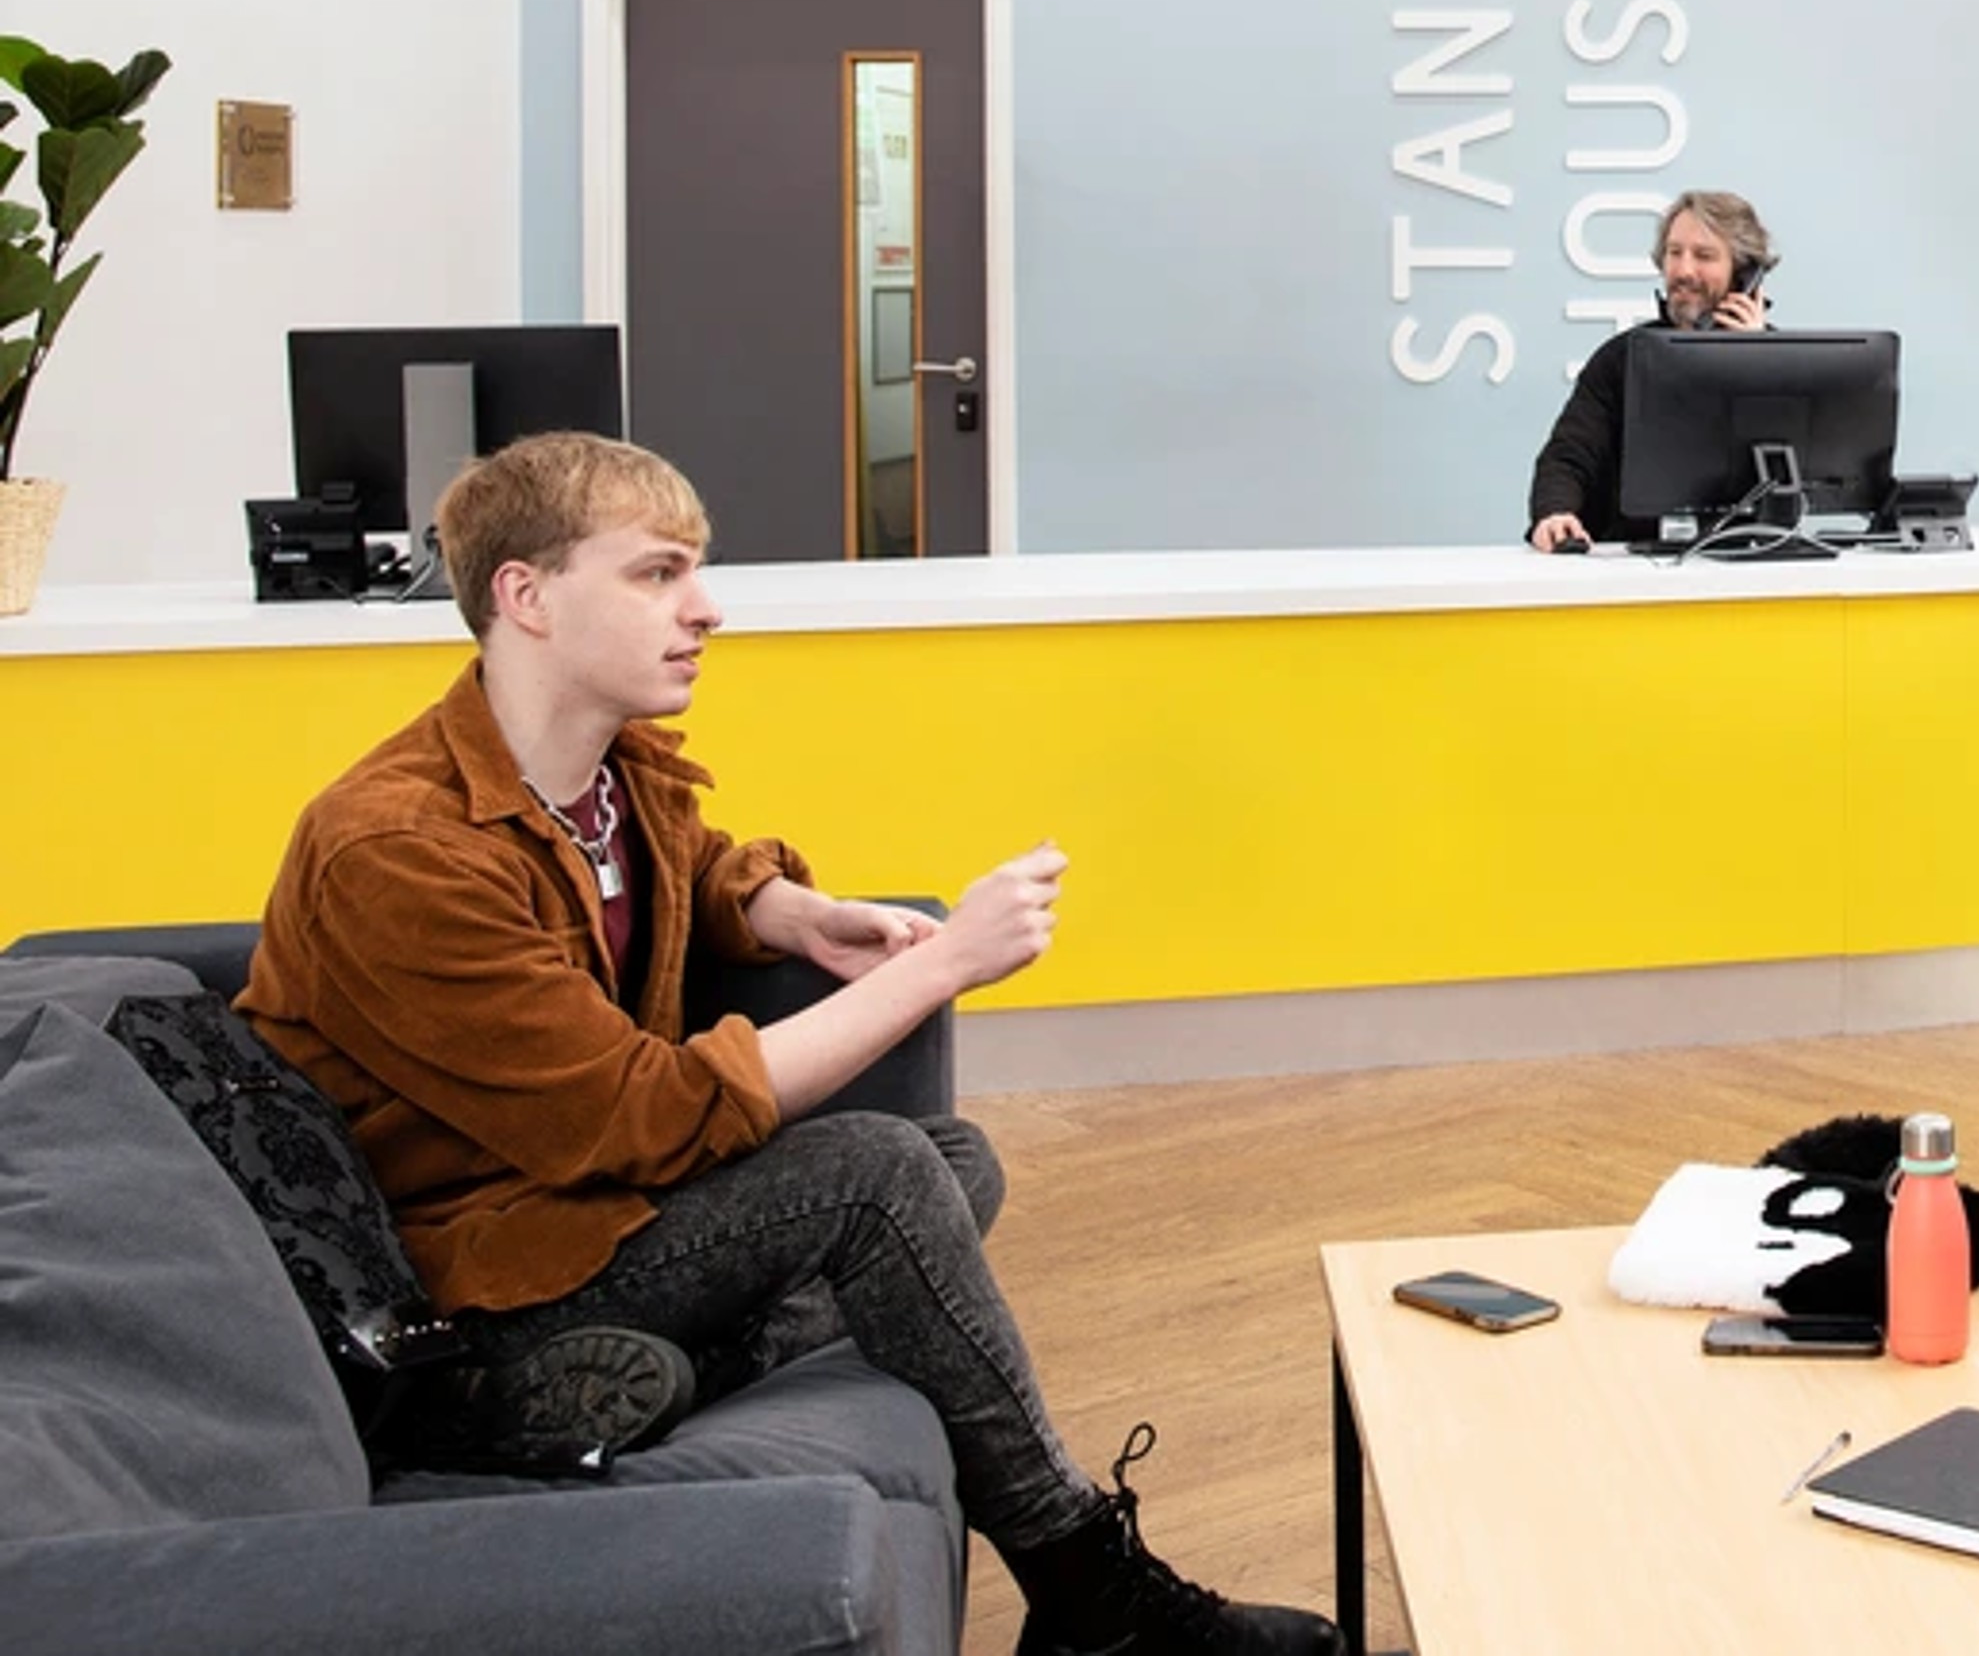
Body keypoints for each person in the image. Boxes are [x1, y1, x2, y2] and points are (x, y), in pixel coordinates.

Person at [237, 433, 1329, 1656]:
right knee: (880, 1176)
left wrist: (784, 908)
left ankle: (679, 1364)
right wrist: (941, 965)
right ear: (525, 595)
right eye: (657, 574)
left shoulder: (602, 769)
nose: (705, 608)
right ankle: (1093, 1594)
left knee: (949, 1155)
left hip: (585, 1212)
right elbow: (639, 1114)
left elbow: (679, 866)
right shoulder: (396, 849)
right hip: (478, 1271)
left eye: (696, 572)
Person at [1523, 186, 1775, 550]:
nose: (1684, 270)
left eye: (1704, 255)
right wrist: (1555, 512)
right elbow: (1569, 455)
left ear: (1743, 273)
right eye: (1674, 253)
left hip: (1748, 563)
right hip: (1634, 565)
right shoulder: (1622, 358)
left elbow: (1793, 475)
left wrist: (1758, 359)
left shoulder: (1780, 363)